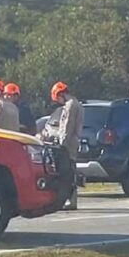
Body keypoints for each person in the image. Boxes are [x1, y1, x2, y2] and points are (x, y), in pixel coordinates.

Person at [51, 81, 84, 210]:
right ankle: (72, 199)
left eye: (58, 98)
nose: (58, 102)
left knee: (66, 173)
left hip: (68, 144)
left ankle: (68, 199)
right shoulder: (77, 104)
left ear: (61, 94)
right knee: (71, 171)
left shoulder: (70, 106)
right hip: (73, 142)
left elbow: (67, 126)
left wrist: (62, 144)